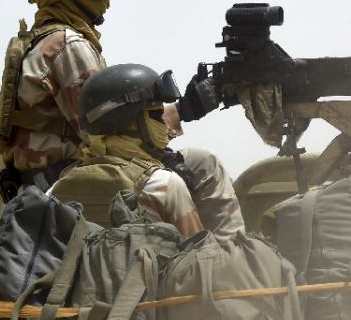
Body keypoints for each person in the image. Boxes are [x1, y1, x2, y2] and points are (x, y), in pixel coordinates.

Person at [49, 63, 244, 239]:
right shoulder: (164, 184)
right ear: (128, 122)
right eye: (156, 116)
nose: (164, 125)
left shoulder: (54, 190)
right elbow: (199, 260)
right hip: (151, 277)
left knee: (202, 160)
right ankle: (235, 252)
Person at [0, 0, 115, 199]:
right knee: (199, 166)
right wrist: (185, 109)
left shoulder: (36, 41)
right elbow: (109, 138)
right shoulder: (67, 45)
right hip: (69, 191)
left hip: (39, 190)